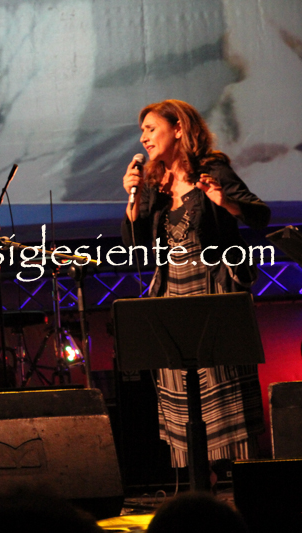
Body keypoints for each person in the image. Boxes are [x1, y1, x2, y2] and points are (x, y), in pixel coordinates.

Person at [122, 99, 270, 468]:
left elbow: (260, 215)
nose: (143, 138)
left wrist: (225, 200)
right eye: (142, 132)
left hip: (212, 291)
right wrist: (132, 202)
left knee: (224, 393)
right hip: (172, 294)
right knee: (183, 395)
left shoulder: (212, 169)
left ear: (178, 128)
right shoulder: (155, 182)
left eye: (150, 129)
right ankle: (200, 489)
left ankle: (241, 489)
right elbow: (135, 244)